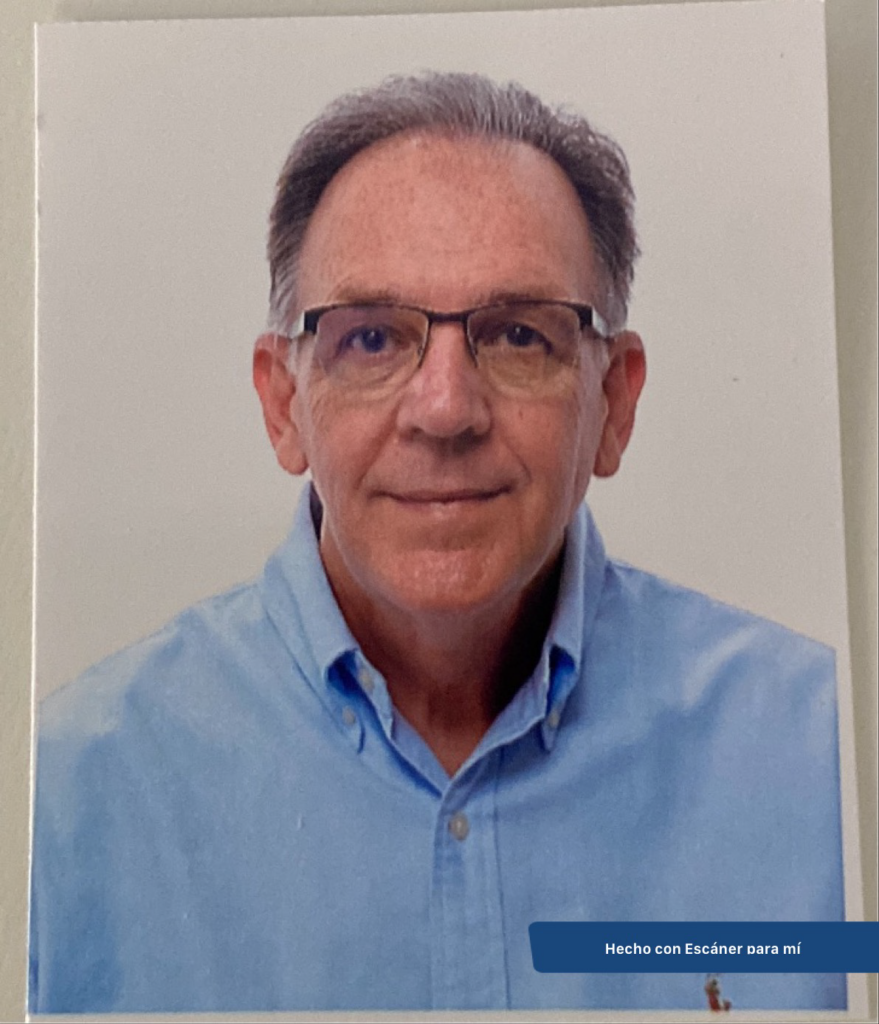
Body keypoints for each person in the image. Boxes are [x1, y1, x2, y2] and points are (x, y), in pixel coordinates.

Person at [29, 71, 845, 1014]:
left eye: (518, 336)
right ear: (283, 404)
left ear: (614, 403)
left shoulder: (824, 760)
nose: (446, 409)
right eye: (372, 340)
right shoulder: (66, 800)